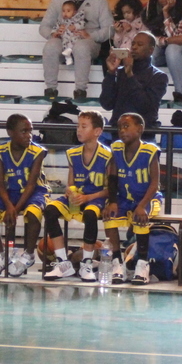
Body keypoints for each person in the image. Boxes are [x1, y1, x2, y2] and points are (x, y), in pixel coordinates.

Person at [42, 110, 111, 282]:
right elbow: (70, 183)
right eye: (78, 126)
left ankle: (86, 263)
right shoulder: (73, 153)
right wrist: (70, 191)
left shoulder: (108, 156)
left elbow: (110, 189)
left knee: (90, 214)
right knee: (49, 211)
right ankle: (63, 263)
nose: (79, 130)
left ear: (97, 131)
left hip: (96, 198)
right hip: (77, 198)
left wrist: (87, 198)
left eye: (84, 126)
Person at [0, 114, 47, 278]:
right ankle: (1, 254)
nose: (29, 135)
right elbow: (0, 184)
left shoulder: (38, 152)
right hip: (10, 193)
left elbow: (31, 185)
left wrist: (14, 210)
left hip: (35, 192)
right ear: (10, 132)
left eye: (30, 131)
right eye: (24, 131)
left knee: (33, 213)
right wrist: (9, 205)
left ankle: (29, 254)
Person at [39, 0, 114, 100]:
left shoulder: (99, 0)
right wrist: (53, 33)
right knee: (50, 45)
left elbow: (110, 29)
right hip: (64, 40)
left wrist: (91, 36)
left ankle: (80, 90)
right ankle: (50, 89)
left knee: (81, 46)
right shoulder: (58, 0)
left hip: (88, 43)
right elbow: (44, 26)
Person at [103, 112, 163, 285]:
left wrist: (142, 205)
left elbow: (155, 184)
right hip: (124, 198)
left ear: (140, 129)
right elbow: (112, 178)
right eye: (119, 127)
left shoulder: (150, 151)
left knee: (140, 218)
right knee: (109, 216)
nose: (122, 130)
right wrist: (112, 202)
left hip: (147, 198)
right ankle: (117, 263)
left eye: (126, 126)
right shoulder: (116, 148)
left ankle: (142, 265)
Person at [100, 31, 168, 131]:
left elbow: (144, 106)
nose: (134, 47)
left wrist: (130, 75)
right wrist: (111, 73)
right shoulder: (120, 72)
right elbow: (106, 104)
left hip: (143, 133)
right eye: (133, 44)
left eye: (139, 44)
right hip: (118, 131)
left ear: (151, 50)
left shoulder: (159, 76)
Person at [50, 0, 86, 66]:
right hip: (65, 38)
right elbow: (55, 27)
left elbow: (82, 24)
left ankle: (69, 52)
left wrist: (75, 26)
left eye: (68, 11)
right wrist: (55, 33)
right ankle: (68, 58)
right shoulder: (61, 21)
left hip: (75, 36)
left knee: (76, 42)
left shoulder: (77, 19)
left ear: (74, 12)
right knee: (64, 45)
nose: (65, 13)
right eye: (63, 11)